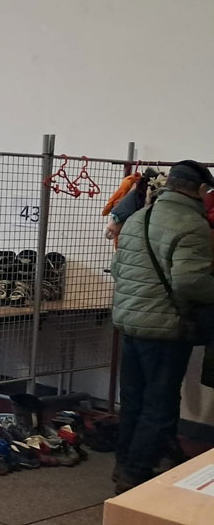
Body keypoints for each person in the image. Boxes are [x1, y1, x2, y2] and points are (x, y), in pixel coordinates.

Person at [110, 161, 214, 493]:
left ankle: (123, 464)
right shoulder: (192, 224)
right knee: (160, 403)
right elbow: (189, 282)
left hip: (130, 323)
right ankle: (135, 475)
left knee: (133, 399)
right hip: (165, 328)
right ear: (201, 190)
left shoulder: (138, 218)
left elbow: (117, 268)